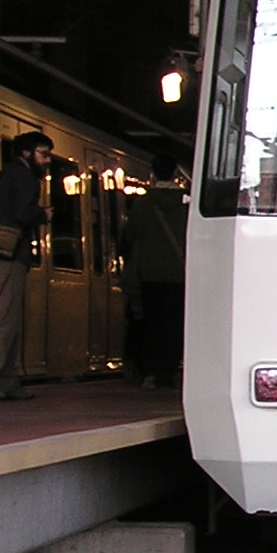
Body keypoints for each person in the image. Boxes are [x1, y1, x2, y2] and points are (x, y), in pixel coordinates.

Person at [0, 130, 52, 401]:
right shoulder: (26, 179)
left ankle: (7, 379)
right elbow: (22, 213)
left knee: (4, 318)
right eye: (43, 154)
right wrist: (42, 214)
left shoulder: (2, 175)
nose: (47, 161)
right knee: (4, 318)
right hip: (10, 255)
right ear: (27, 153)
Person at [122, 151, 190, 390]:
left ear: (152, 174)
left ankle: (150, 371)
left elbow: (130, 235)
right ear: (175, 174)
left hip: (149, 272)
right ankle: (168, 371)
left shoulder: (143, 202)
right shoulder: (187, 202)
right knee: (174, 323)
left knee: (151, 322)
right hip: (179, 273)